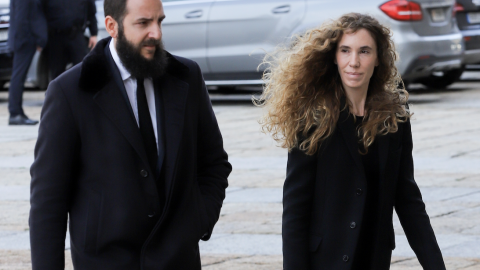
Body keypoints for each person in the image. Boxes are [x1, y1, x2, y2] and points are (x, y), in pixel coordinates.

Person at [29, 0, 232, 268]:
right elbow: (48, 200)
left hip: (178, 260)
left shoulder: (186, 77)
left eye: (159, 21)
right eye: (143, 23)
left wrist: (199, 220)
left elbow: (214, 163)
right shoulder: (70, 92)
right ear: (112, 26)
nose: (156, 33)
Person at [257, 13, 446, 270]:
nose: (354, 62)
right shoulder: (314, 117)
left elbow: (407, 198)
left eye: (364, 51)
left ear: (378, 58)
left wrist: (435, 265)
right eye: (345, 51)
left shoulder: (394, 117)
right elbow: (295, 209)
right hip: (325, 260)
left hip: (374, 258)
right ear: (334, 56)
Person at [7, 0, 47, 125]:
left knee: (19, 76)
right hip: (24, 40)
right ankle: (15, 113)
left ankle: (17, 112)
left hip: (23, 39)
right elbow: (22, 17)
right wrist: (35, 39)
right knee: (18, 77)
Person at [41, 0, 98, 79]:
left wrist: (94, 33)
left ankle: (84, 90)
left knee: (83, 68)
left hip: (76, 35)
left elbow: (91, 10)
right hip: (55, 37)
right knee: (56, 72)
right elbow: (40, 12)